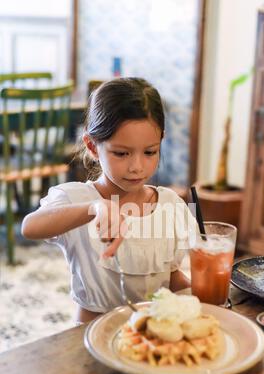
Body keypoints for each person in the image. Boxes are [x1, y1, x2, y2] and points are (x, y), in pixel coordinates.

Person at [22, 77, 196, 323]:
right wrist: (94, 208)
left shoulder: (169, 205)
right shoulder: (77, 199)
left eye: (150, 152)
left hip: (151, 338)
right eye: (121, 153)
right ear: (92, 147)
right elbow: (29, 227)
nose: (137, 167)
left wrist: (202, 294)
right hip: (90, 335)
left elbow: (171, 277)